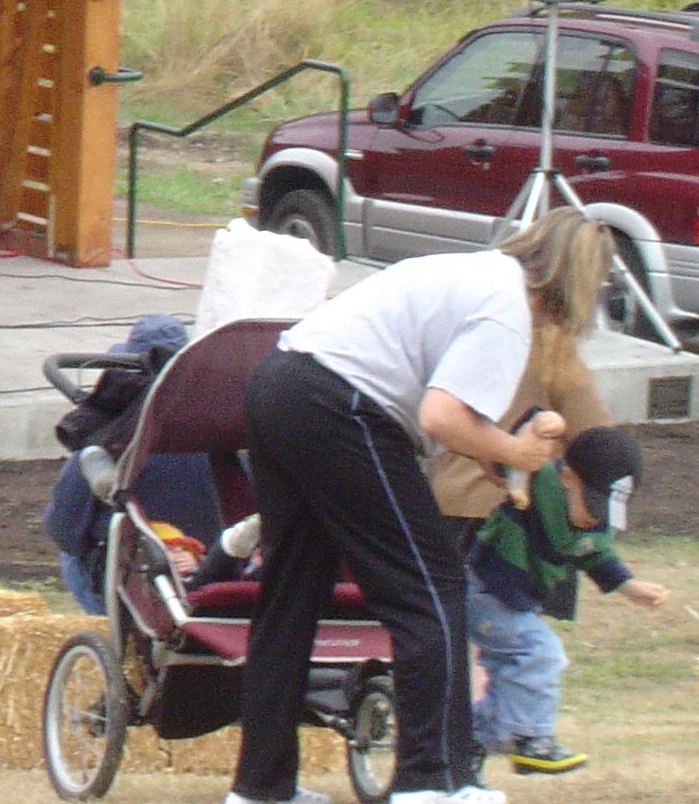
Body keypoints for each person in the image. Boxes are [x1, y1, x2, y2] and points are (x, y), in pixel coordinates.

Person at [226, 209, 611, 804]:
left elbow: (453, 415)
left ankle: (260, 789)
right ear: (580, 281)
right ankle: (432, 783)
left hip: (280, 383)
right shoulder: (508, 312)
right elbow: (439, 416)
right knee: (431, 590)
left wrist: (495, 455)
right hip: (343, 406)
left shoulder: (478, 274)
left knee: (289, 598)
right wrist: (520, 454)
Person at [465, 423, 668, 777]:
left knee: (512, 675)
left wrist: (629, 586)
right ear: (568, 478)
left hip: (517, 600)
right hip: (486, 590)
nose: (595, 517)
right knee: (539, 652)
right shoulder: (537, 479)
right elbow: (496, 453)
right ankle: (532, 739)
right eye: (591, 504)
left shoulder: (593, 524)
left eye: (604, 510)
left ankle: (467, 742)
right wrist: (539, 424)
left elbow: (595, 554)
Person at [42, 313, 222, 613]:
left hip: (131, 582)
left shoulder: (108, 442)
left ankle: (106, 622)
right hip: (203, 572)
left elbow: (63, 529)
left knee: (72, 551)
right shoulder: (216, 435)